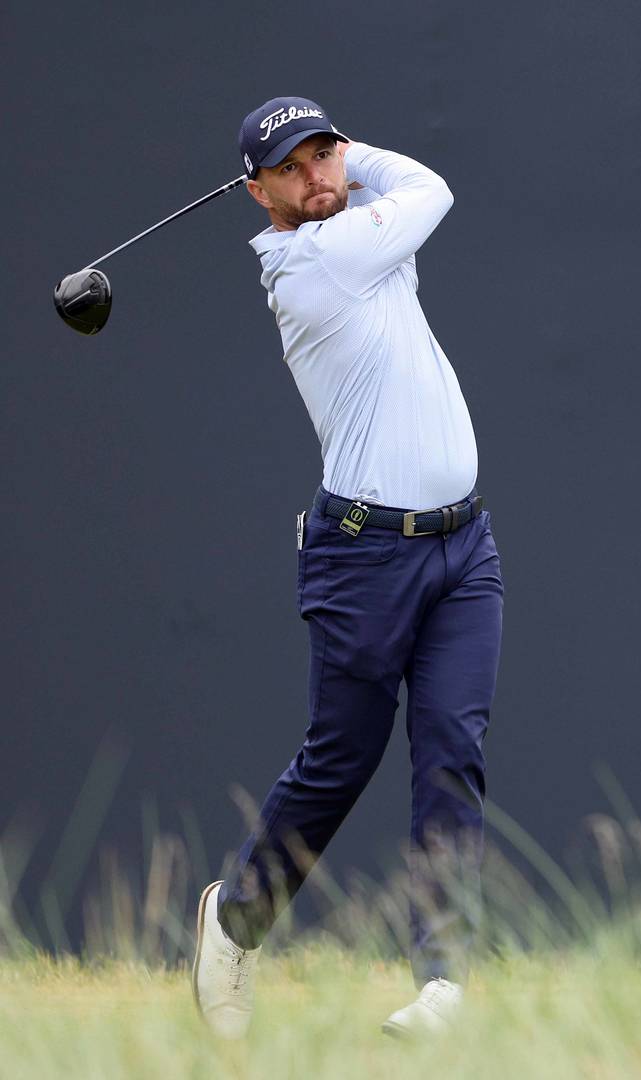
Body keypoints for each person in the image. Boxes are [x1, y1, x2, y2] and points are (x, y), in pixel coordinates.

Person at [191, 96, 502, 1040]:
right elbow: (431, 187)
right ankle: (234, 919)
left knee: (452, 755)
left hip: (463, 550)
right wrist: (357, 160)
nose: (315, 175)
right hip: (364, 556)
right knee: (341, 760)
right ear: (257, 194)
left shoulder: (355, 232)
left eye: (323, 154)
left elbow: (404, 195)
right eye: (289, 168)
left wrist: (338, 161)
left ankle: (444, 980)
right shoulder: (316, 261)